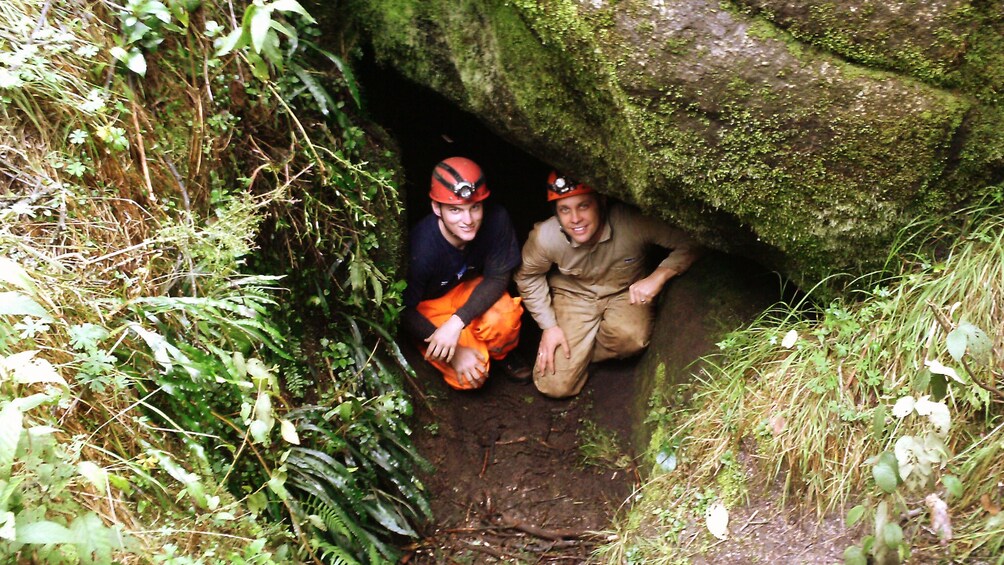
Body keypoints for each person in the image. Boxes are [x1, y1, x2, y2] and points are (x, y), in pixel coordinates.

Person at [515, 171, 702, 398]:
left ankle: (581, 353)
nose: (575, 218)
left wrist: (659, 276)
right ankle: (574, 353)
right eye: (565, 210)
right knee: (554, 386)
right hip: (574, 294)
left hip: (625, 292)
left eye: (583, 206)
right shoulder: (546, 237)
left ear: (601, 202)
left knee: (632, 338)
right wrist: (549, 326)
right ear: (556, 213)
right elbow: (528, 276)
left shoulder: (632, 222)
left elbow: (693, 240)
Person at [401, 156, 531, 390]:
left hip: (466, 291)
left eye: (475, 207)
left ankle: (503, 355)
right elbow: (404, 310)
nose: (468, 220)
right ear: (436, 208)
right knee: (473, 376)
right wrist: (455, 353)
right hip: (428, 308)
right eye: (455, 210)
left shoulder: (496, 220)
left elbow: (498, 277)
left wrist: (457, 322)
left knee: (503, 318)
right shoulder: (421, 247)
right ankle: (469, 348)